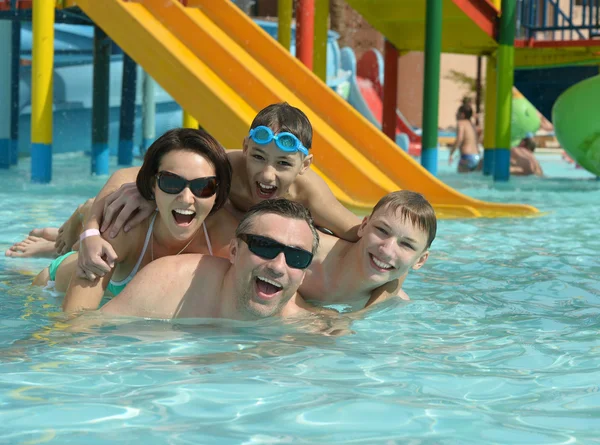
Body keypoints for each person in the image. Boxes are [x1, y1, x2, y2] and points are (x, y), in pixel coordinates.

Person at [32, 128, 238, 312]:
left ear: (218, 191)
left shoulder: (229, 241)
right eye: (171, 182)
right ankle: (77, 222)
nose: (186, 198)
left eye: (203, 187)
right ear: (153, 184)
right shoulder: (124, 228)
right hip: (51, 289)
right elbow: (73, 322)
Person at [100, 199, 328, 321]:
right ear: (234, 251)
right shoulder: (168, 284)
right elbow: (85, 332)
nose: (278, 266)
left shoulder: (311, 329)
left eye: (297, 257)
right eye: (265, 246)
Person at [299, 190, 435, 310]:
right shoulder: (309, 250)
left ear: (420, 260)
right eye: (382, 230)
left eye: (406, 245)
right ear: (363, 225)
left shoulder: (395, 304)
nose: (387, 250)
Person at [448, 105, 481, 173]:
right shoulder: (472, 125)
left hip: (466, 158)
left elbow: (459, 139)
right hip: (477, 157)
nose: (456, 114)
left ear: (462, 115)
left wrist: (451, 153)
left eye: (458, 112)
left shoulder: (461, 123)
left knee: (461, 180)